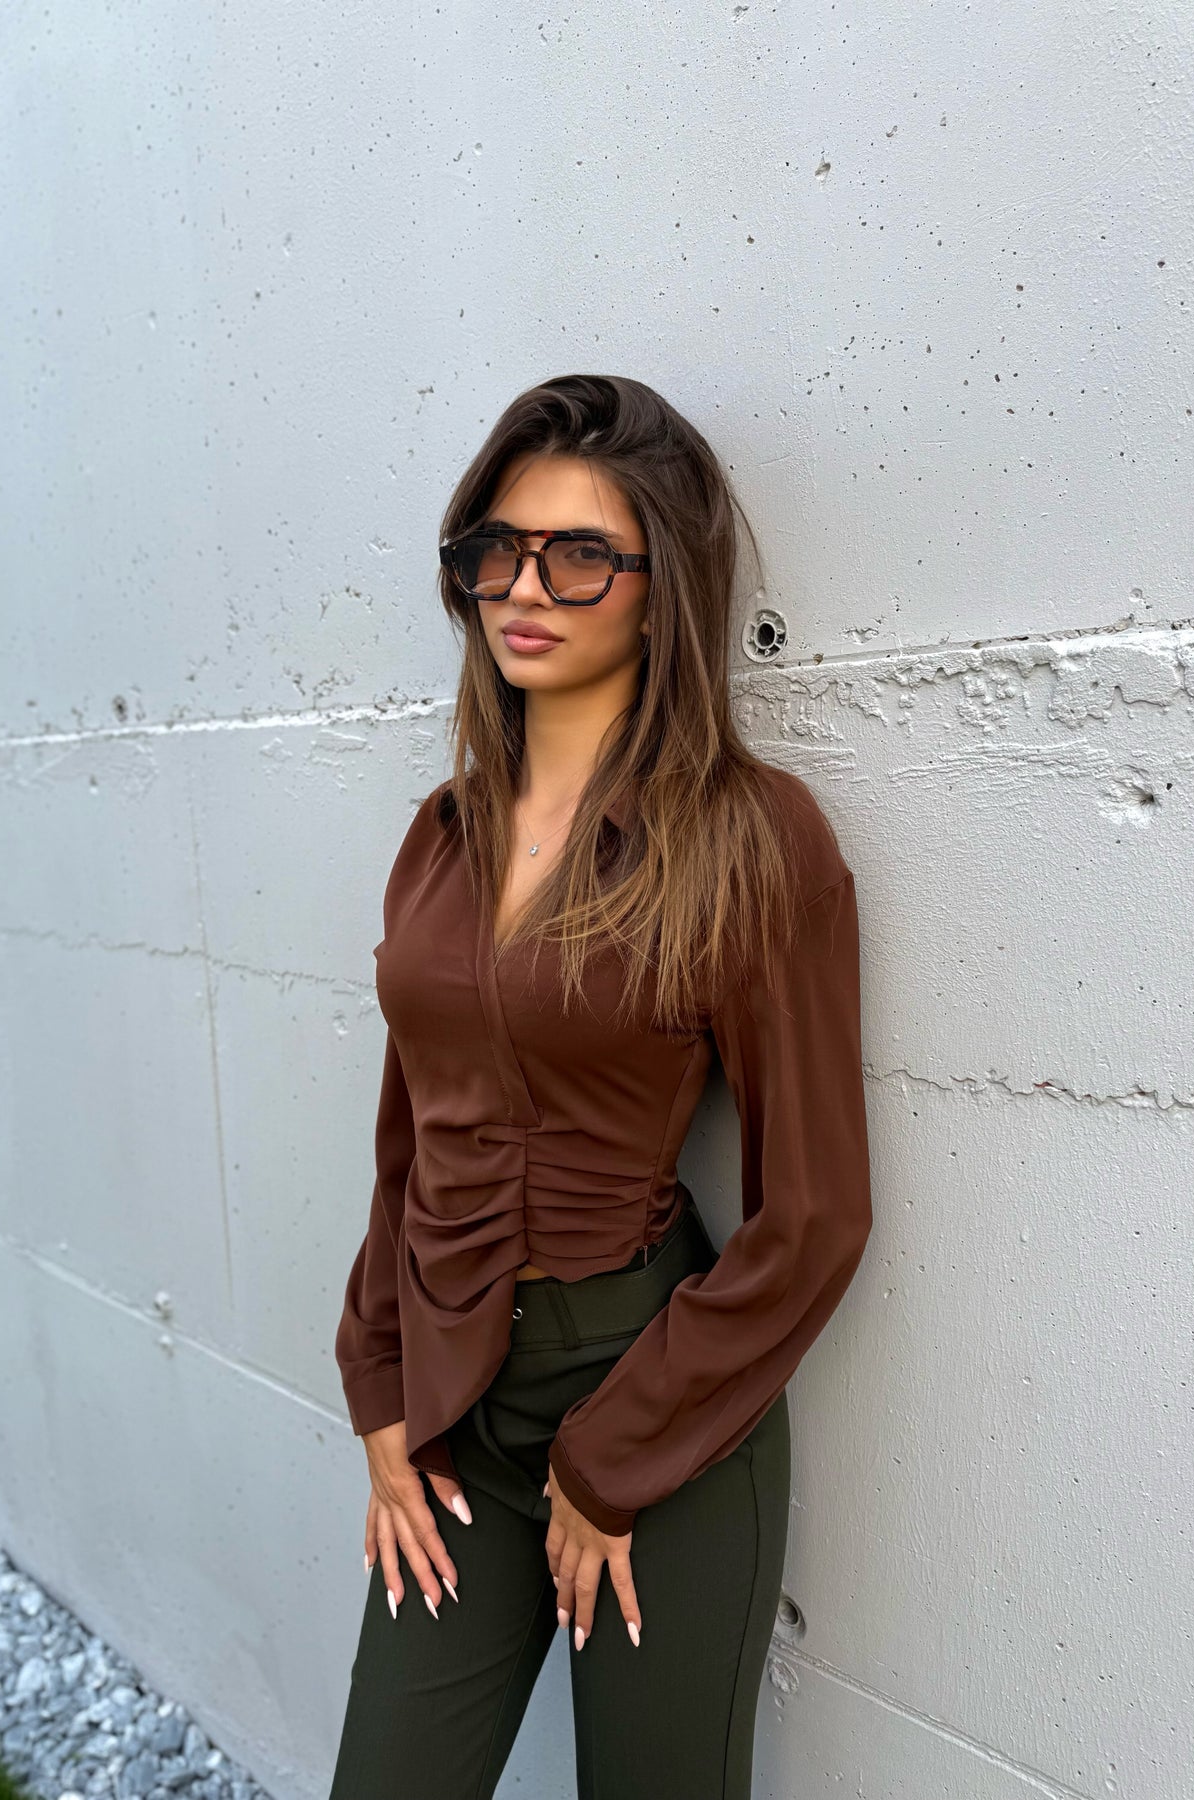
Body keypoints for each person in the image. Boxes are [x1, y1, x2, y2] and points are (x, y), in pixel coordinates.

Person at [328, 373, 872, 1799]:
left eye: (579, 555)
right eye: (496, 550)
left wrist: (616, 1455)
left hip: (651, 1402)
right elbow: (409, 1141)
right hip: (449, 1405)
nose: (524, 589)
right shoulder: (442, 835)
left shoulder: (752, 839)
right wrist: (377, 1385)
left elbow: (815, 1212)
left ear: (660, 587)